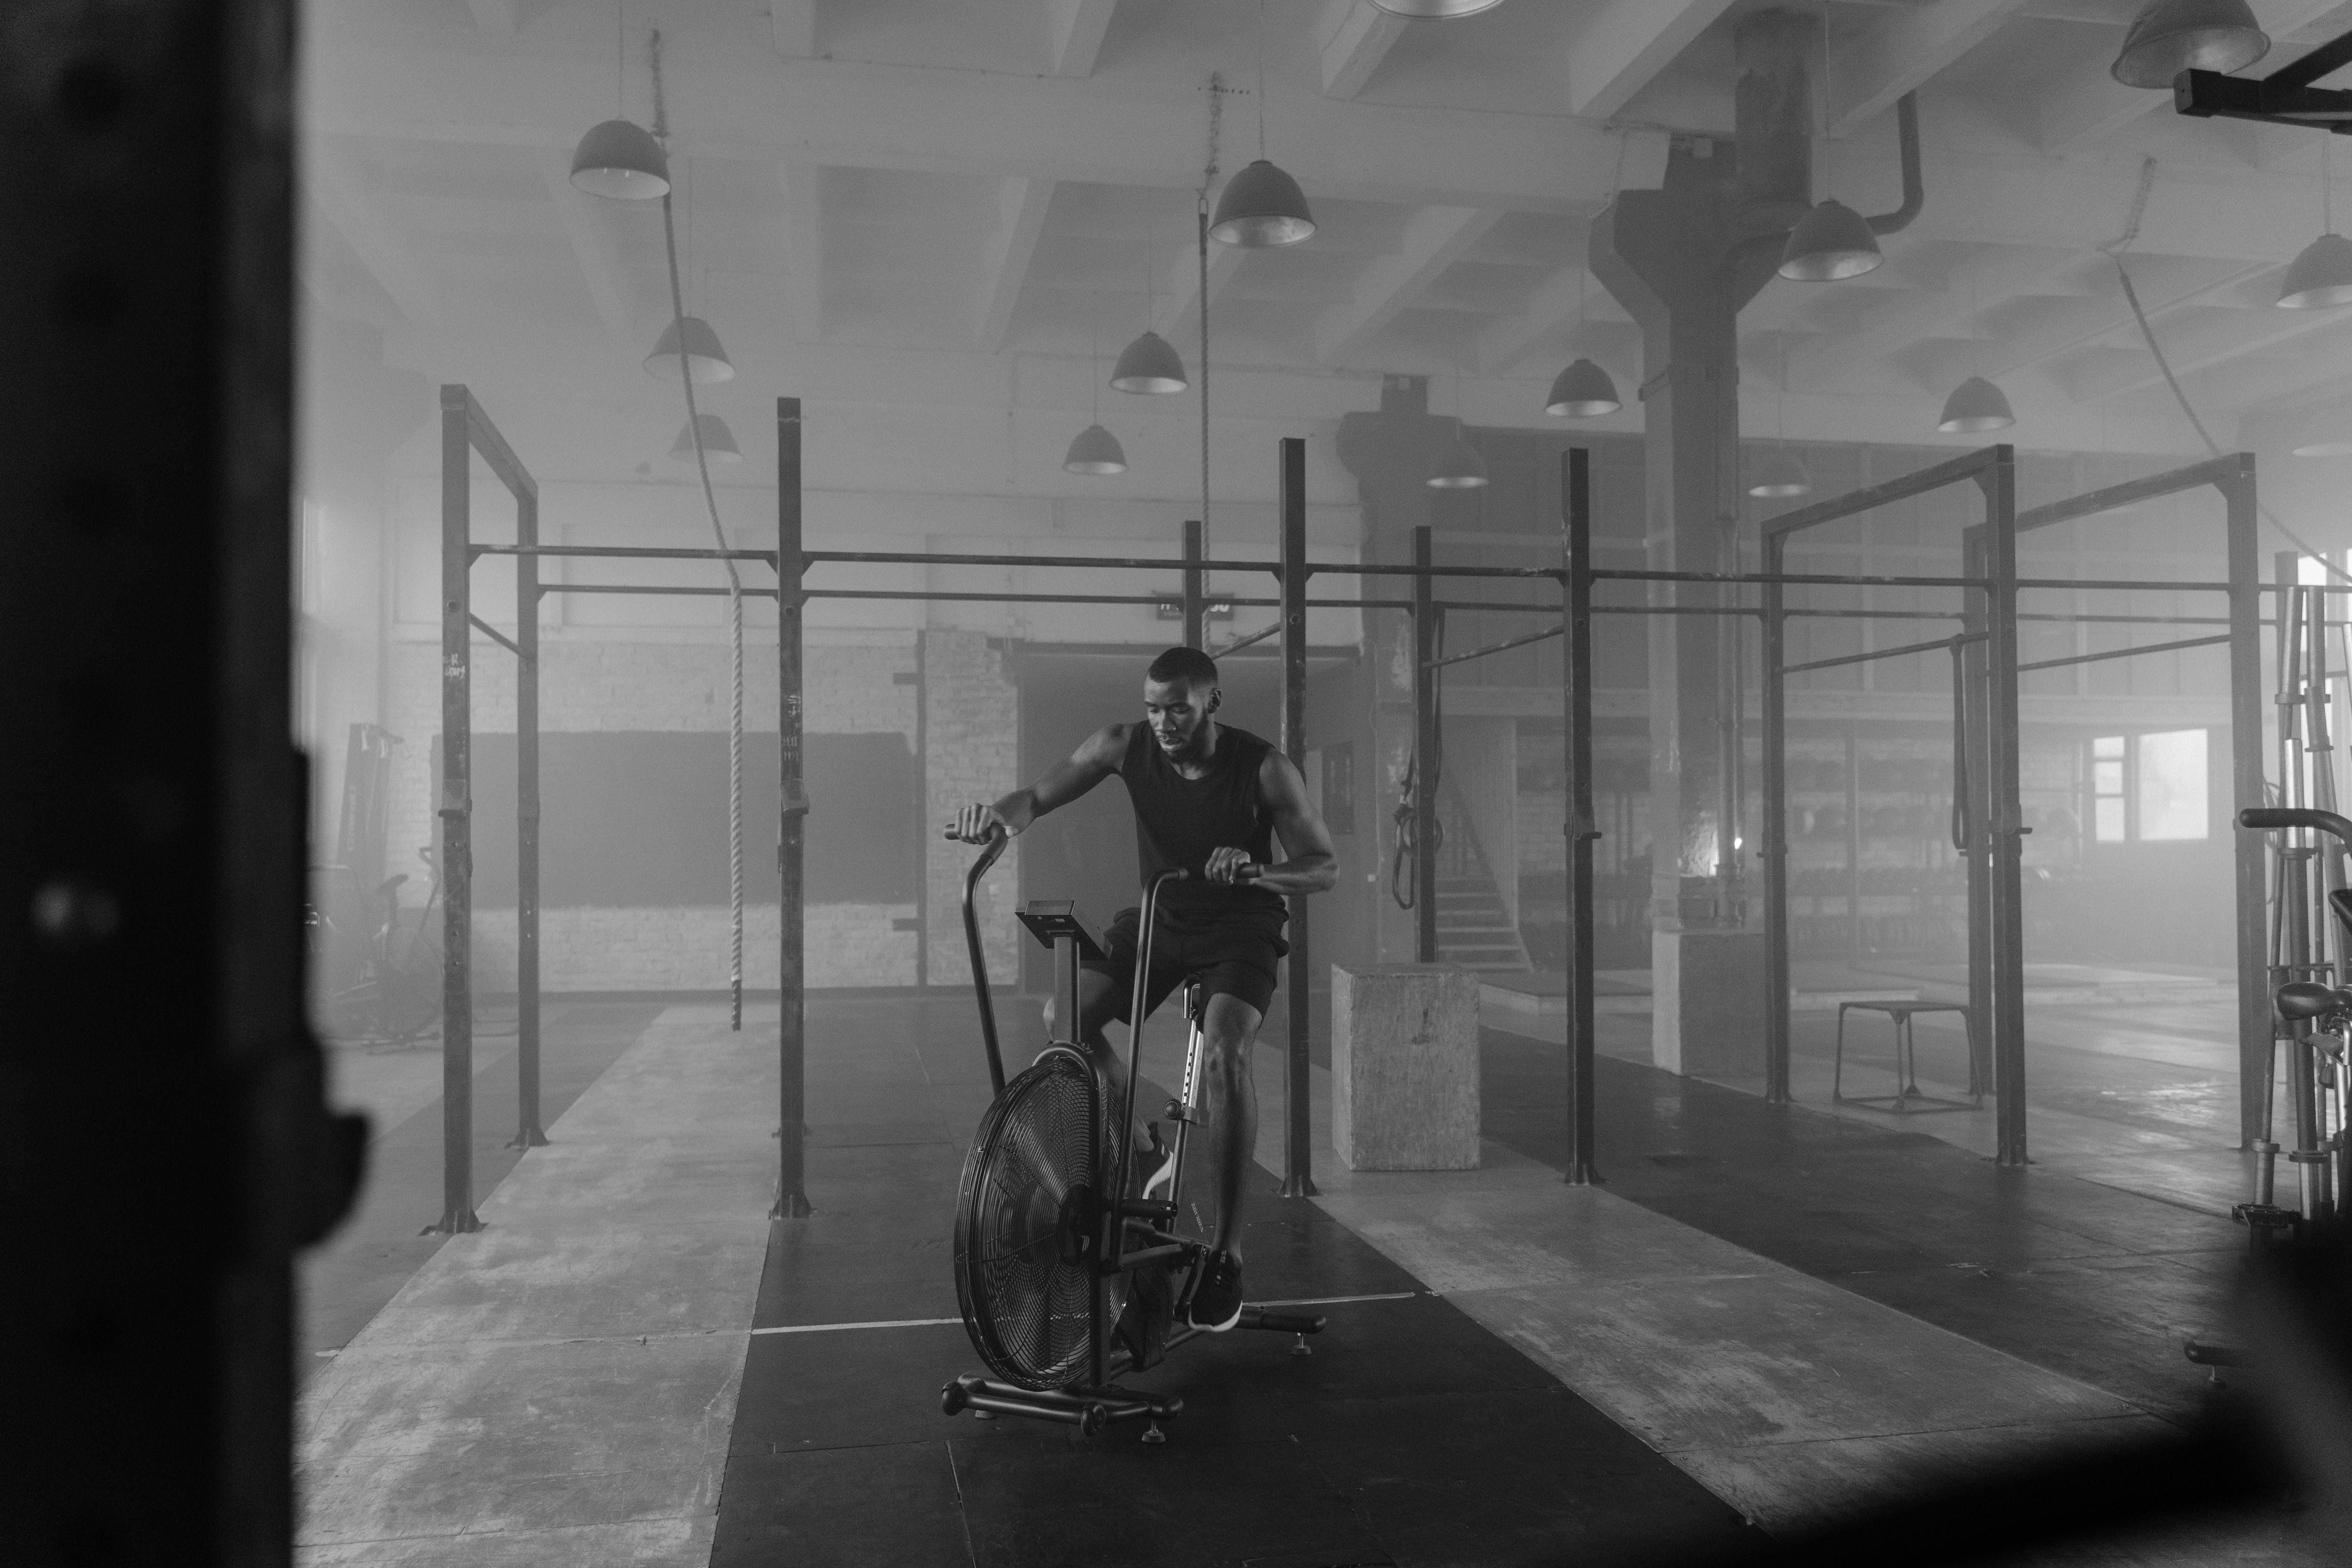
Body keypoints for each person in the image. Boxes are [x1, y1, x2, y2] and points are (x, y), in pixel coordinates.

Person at [948, 645, 1336, 1332]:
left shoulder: (1263, 767)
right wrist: (998, 819)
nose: (1163, 721)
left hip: (1240, 923)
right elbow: (1036, 796)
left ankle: (1226, 1255)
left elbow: (1322, 866)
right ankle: (1140, 1144)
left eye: (1178, 709)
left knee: (1224, 1053)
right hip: (1161, 913)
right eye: (1154, 707)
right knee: (1063, 1017)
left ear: (1211, 703)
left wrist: (1255, 871)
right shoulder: (1122, 744)